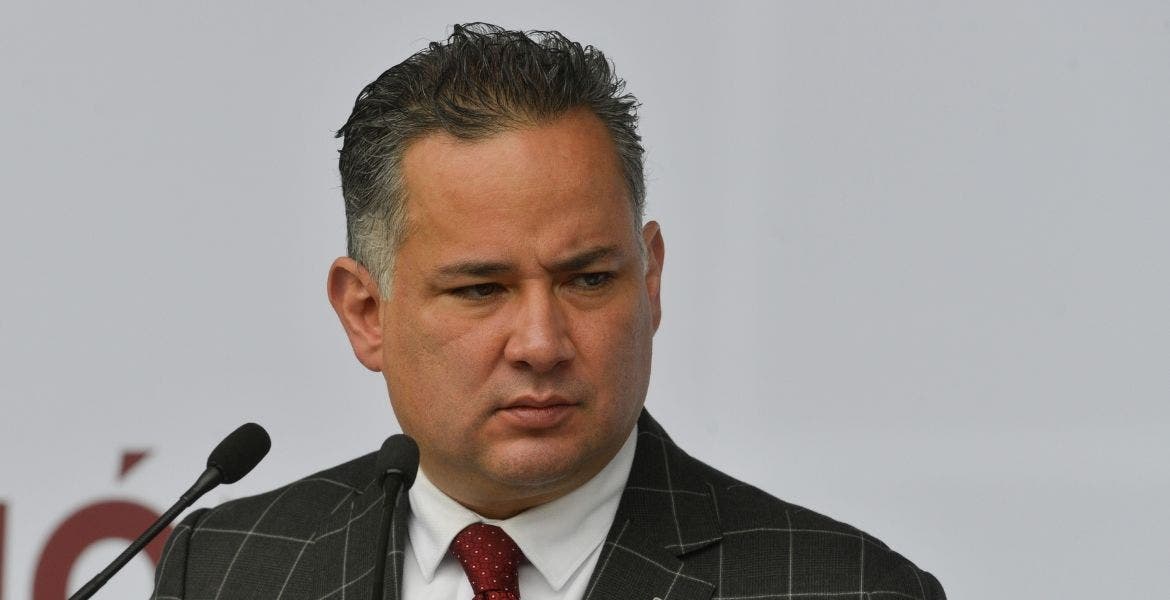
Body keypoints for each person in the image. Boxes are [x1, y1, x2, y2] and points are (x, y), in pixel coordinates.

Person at [151, 23, 945, 600]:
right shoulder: (226, 568)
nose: (541, 343)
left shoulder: (843, 587)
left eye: (589, 279)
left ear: (650, 280)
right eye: (481, 290)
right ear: (366, 312)